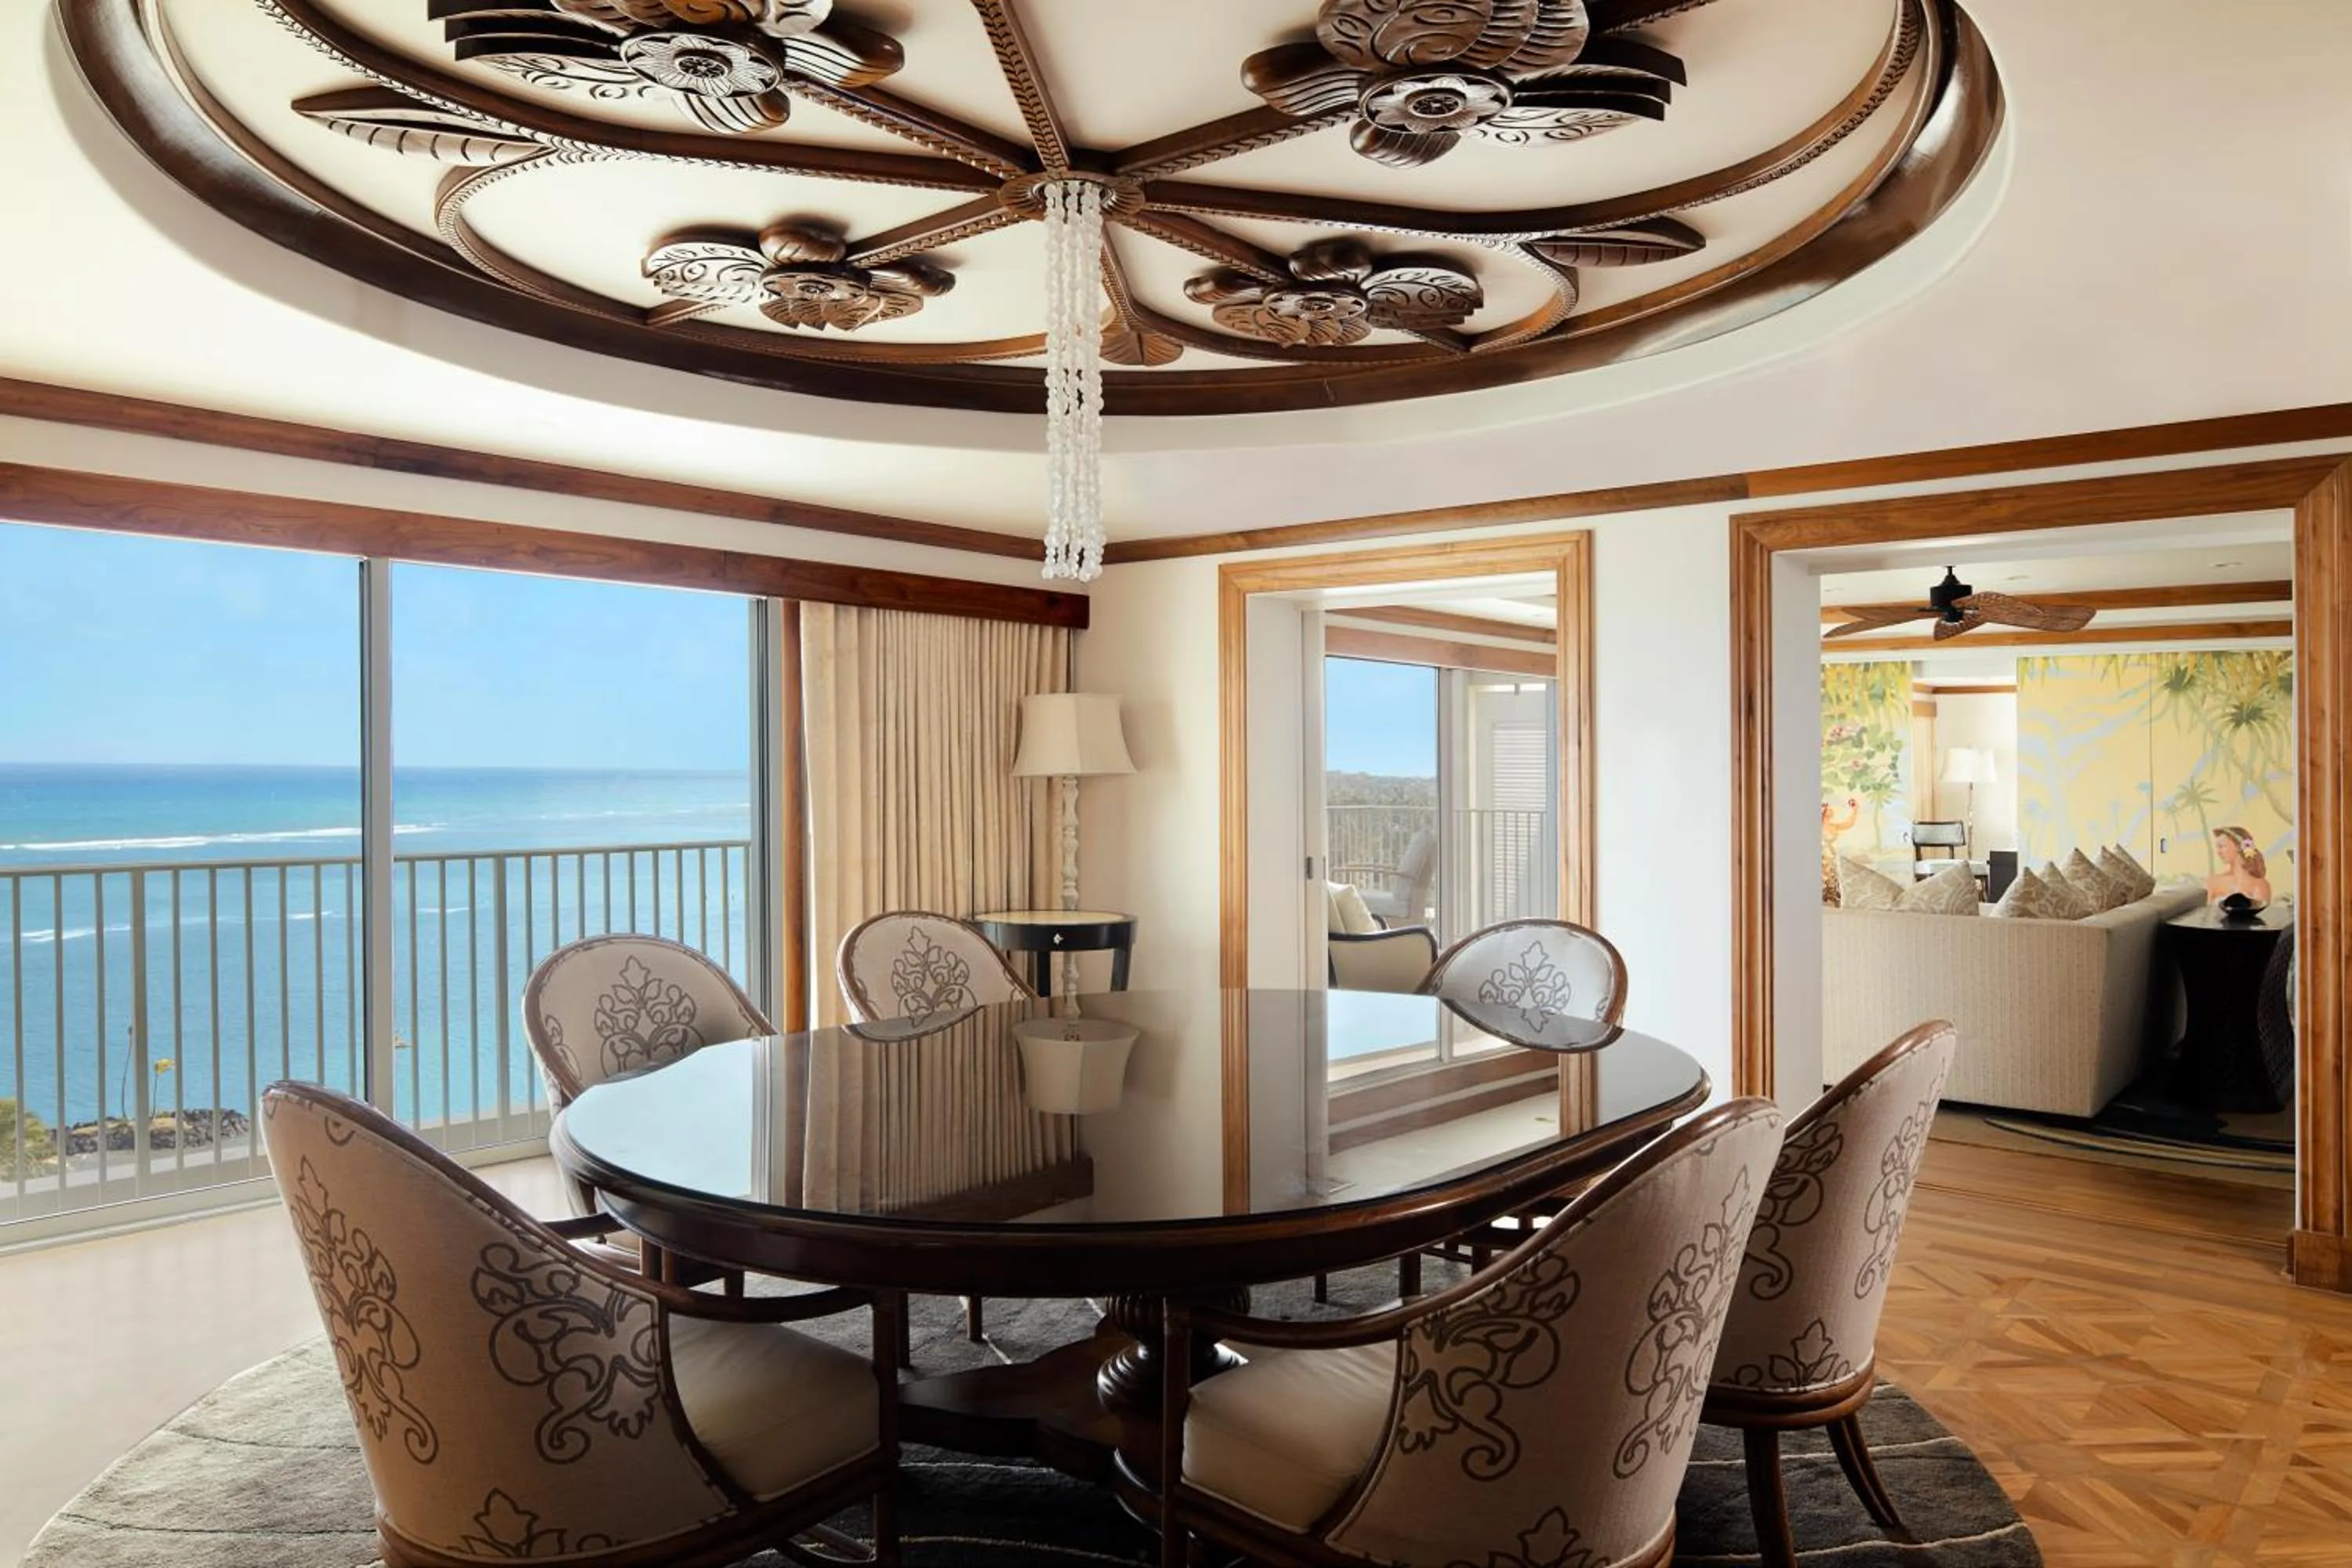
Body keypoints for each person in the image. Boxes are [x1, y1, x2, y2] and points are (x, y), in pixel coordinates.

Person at [2205, 825, 2272, 907]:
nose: (2218, 852)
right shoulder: (2214, 881)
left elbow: (2261, 915)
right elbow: (2207, 914)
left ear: (2238, 846)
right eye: (2217, 847)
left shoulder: (2259, 885)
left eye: (2222, 846)